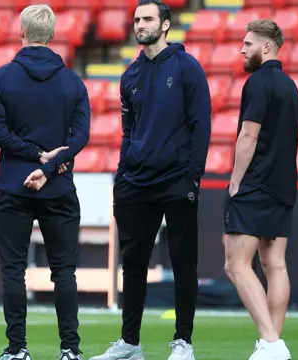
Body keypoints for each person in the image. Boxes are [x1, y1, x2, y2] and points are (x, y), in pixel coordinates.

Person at [89, 0, 211, 359]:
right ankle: (130, 343)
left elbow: (201, 125)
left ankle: (183, 343)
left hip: (177, 180)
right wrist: (121, 173)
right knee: (134, 265)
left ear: (166, 25)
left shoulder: (188, 68)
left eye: (147, 19)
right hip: (136, 183)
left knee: (182, 261)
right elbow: (128, 132)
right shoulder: (130, 76)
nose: (140, 24)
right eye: (137, 19)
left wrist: (194, 177)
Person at [0, 4, 90, 360]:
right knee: (64, 271)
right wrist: (51, 163)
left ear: (22, 33)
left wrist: (33, 157)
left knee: (13, 269)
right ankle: (70, 350)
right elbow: (81, 136)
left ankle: (17, 349)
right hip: (58, 187)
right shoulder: (72, 82)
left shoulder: (1, 78)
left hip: (13, 185)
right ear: (52, 34)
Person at [223, 20, 298, 360]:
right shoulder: (292, 87)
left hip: (255, 183)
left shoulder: (257, 83)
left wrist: (236, 180)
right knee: (275, 265)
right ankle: (272, 344)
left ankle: (270, 342)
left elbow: (249, 136)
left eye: (248, 43)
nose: (242, 49)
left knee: (236, 265)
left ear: (266, 47)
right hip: (284, 184)